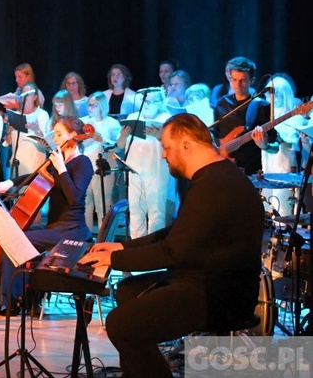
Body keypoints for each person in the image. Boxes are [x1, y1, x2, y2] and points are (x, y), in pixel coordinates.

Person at [81, 113, 264, 377]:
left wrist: (115, 261)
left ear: (187, 145)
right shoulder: (215, 176)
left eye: (167, 147)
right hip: (207, 279)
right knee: (127, 291)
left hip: (218, 293)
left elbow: (172, 251)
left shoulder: (214, 184)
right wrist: (122, 248)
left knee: (121, 325)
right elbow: (176, 232)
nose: (164, 155)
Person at [0, 116, 93, 315]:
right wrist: (9, 183)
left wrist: (62, 169)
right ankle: (14, 298)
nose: (55, 138)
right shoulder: (59, 158)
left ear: (73, 136)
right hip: (55, 227)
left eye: (59, 134)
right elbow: (36, 175)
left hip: (71, 230)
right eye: (54, 134)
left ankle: (14, 302)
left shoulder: (83, 163)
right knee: (11, 235)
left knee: (16, 241)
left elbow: (74, 198)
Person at [116, 89, 177, 238]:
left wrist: (158, 136)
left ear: (160, 102)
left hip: (156, 173)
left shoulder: (166, 118)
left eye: (151, 101)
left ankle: (154, 247)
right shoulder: (133, 117)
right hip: (135, 172)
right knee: (136, 212)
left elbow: (173, 146)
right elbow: (120, 145)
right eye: (145, 101)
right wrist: (123, 135)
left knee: (156, 213)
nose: (147, 105)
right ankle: (136, 245)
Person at [212, 56, 274, 175]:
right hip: (224, 168)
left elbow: (275, 147)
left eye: (243, 80)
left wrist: (264, 146)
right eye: (234, 80)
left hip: (251, 171)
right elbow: (215, 136)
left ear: (252, 80)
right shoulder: (221, 104)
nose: (237, 85)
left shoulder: (262, 106)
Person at [81, 91, 121, 231]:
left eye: (94, 105)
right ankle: (86, 238)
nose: (90, 108)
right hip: (86, 168)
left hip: (103, 168)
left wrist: (102, 140)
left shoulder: (112, 123)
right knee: (86, 204)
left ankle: (103, 239)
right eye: (89, 105)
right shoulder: (84, 122)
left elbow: (117, 145)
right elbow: (78, 145)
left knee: (102, 205)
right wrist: (88, 139)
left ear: (102, 106)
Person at [261, 75, 301, 216]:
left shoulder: (293, 115)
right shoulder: (264, 114)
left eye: (278, 93)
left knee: (282, 200)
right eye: (272, 93)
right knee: (267, 199)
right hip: (268, 162)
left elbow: (289, 139)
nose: (274, 97)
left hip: (284, 162)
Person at [4, 82, 49, 177]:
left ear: (35, 97)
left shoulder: (41, 114)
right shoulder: (15, 115)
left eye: (28, 94)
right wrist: (8, 132)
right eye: (23, 93)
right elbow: (9, 143)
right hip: (17, 162)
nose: (25, 96)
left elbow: (47, 143)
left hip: (34, 162)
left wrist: (36, 129)